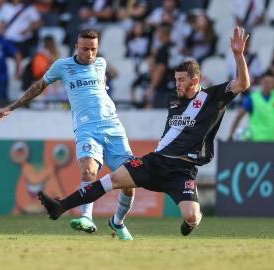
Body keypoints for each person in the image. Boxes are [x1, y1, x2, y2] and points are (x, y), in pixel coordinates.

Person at [38, 26, 250, 237]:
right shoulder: (174, 98)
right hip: (156, 162)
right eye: (176, 79)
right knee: (112, 180)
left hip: (183, 171)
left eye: (181, 80)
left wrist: (238, 56)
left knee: (192, 216)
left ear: (195, 81)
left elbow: (243, 83)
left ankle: (187, 224)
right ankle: (60, 206)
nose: (176, 84)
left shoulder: (212, 98)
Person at [0, 29, 136, 240]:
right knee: (88, 170)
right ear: (77, 47)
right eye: (85, 49)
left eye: (93, 49)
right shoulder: (62, 66)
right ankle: (87, 218)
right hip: (86, 129)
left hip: (113, 127)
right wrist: (11, 108)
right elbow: (38, 87)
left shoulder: (101, 64)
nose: (89, 54)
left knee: (130, 183)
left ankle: (118, 222)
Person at [229, 71, 274, 142]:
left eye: (271, 82)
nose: (269, 85)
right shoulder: (252, 98)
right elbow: (239, 116)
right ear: (261, 82)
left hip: (273, 140)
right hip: (256, 141)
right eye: (266, 82)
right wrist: (231, 134)